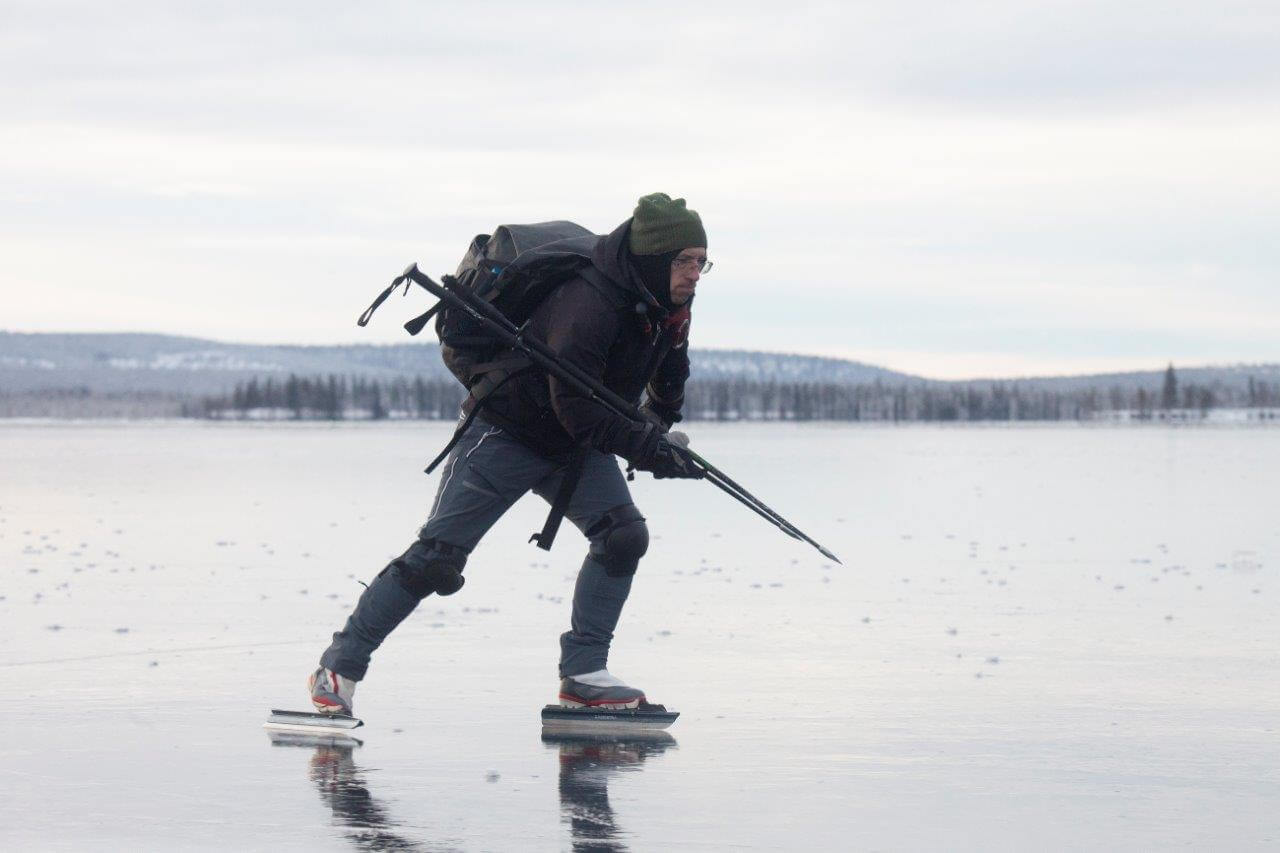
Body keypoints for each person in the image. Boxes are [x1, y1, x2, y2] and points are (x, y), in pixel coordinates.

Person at [308, 193, 712, 716]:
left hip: (571, 443)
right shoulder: (588, 303)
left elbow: (669, 368)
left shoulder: (667, 301)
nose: (695, 273)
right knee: (437, 560)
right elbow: (578, 410)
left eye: (702, 261)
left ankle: (584, 677)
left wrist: (661, 424)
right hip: (507, 432)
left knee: (623, 536)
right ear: (655, 258)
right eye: (684, 261)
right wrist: (653, 453)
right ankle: (337, 669)